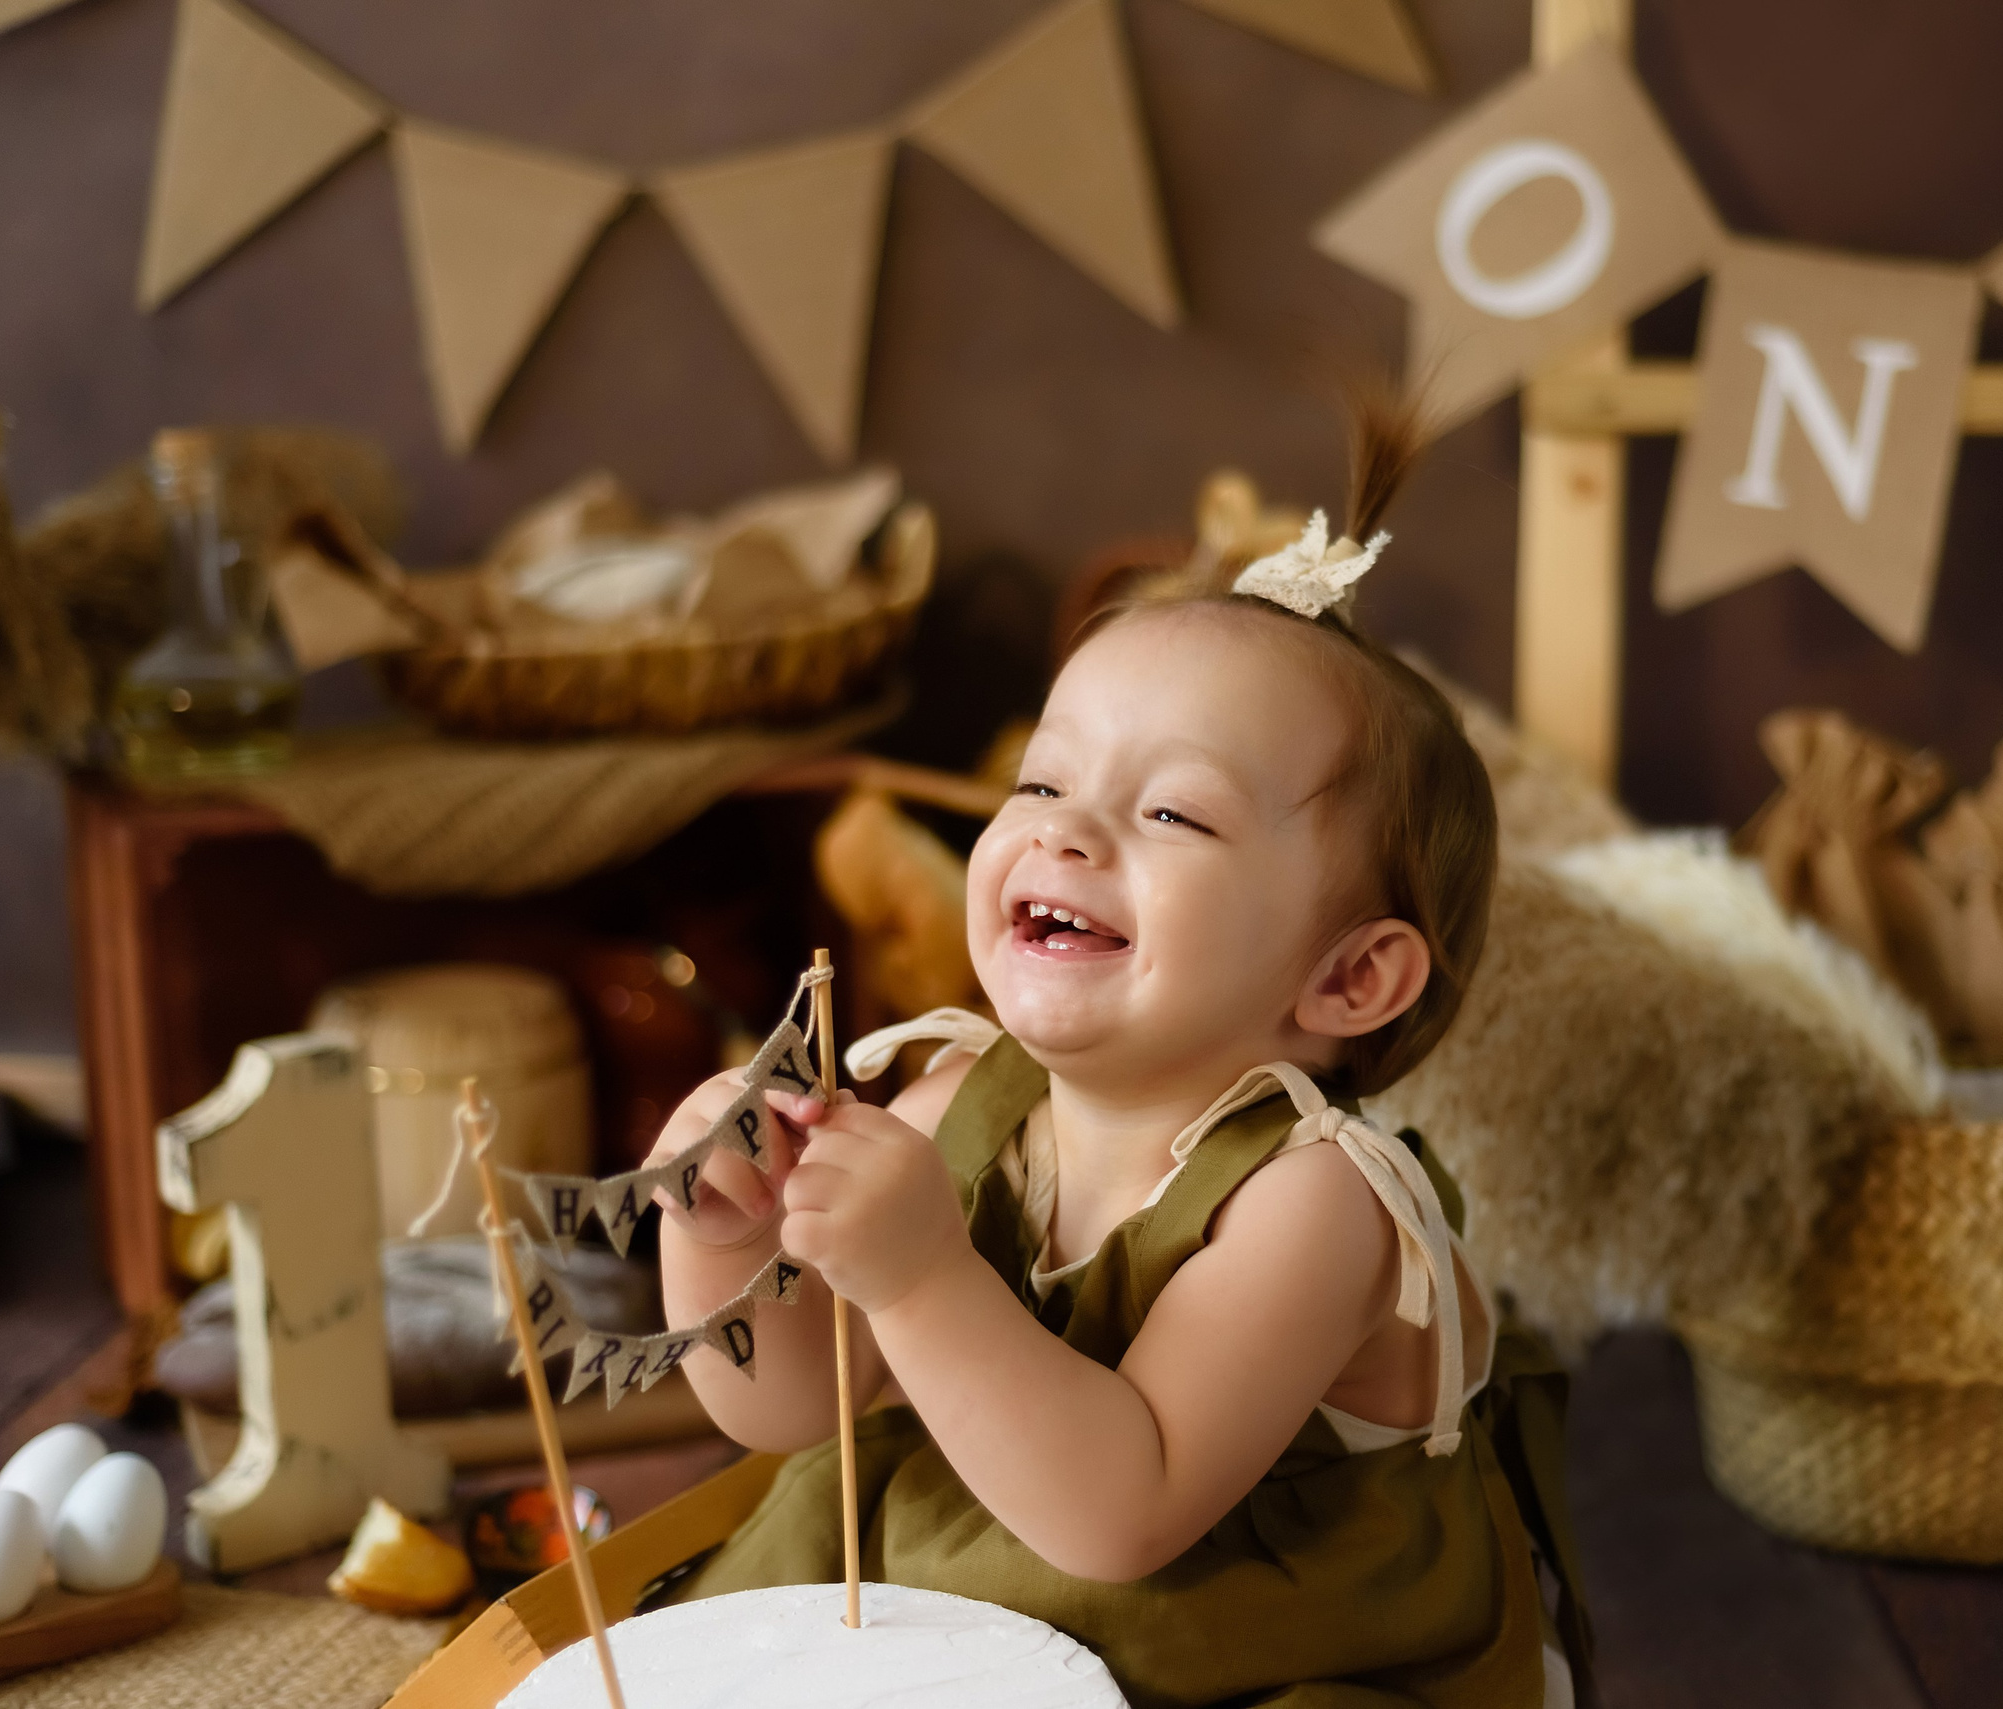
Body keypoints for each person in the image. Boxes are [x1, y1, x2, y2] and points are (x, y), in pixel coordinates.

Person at [649, 400, 1589, 1708]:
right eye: (1040, 784)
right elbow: (801, 1404)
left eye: (1170, 810)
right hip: (993, 1597)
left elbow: (1120, 1512)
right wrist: (725, 1233)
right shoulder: (954, 1102)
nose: (1066, 832)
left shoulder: (1313, 1203)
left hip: (1251, 1650)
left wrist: (920, 1271)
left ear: (1350, 975)